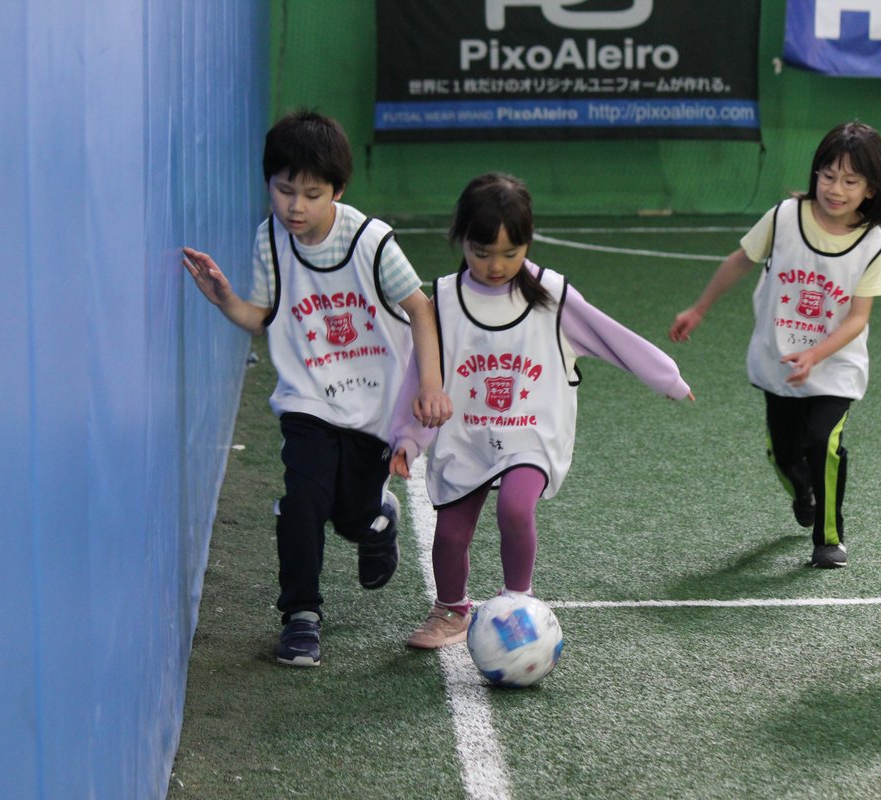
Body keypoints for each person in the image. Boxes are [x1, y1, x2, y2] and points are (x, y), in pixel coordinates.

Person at [182, 109, 452, 668]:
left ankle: (376, 522)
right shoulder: (270, 239)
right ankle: (301, 616)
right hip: (307, 399)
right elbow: (266, 316)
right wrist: (225, 299)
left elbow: (421, 310)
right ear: (269, 185)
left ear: (339, 190)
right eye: (284, 191)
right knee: (303, 501)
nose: (295, 206)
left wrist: (430, 384)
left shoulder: (372, 241)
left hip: (372, 408)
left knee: (350, 515)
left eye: (311, 193)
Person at [390, 172, 694, 649]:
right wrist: (407, 439)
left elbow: (612, 337)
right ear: (461, 240)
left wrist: (667, 377)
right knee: (449, 535)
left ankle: (519, 603)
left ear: (529, 243)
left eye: (511, 254)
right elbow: (419, 373)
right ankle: (451, 611)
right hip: (466, 435)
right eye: (483, 252)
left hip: (532, 431)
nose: (496, 265)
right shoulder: (444, 300)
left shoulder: (551, 295)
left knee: (514, 507)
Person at [670, 122, 881, 569]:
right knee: (783, 453)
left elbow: (858, 318)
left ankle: (828, 537)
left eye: (851, 181)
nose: (836, 188)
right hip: (778, 361)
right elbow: (739, 260)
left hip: (834, 367)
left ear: (871, 189)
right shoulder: (784, 218)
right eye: (828, 175)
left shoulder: (873, 244)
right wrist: (699, 308)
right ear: (815, 173)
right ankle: (803, 490)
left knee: (823, 442)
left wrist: (816, 353)